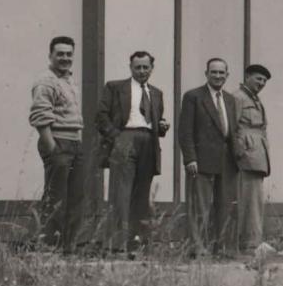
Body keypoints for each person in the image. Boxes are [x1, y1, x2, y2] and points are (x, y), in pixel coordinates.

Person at [95, 50, 169, 256]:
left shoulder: (156, 93)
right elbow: (101, 116)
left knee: (141, 196)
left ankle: (136, 245)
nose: (142, 71)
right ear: (131, 68)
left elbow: (155, 121)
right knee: (121, 194)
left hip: (149, 142)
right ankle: (116, 246)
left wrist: (162, 126)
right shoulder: (115, 87)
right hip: (124, 138)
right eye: (138, 67)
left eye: (146, 67)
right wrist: (116, 137)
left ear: (152, 69)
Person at [177, 57, 239, 254]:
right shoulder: (193, 96)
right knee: (199, 207)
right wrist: (190, 158)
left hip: (227, 161)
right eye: (214, 72)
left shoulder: (230, 100)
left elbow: (232, 131)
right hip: (201, 160)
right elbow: (185, 131)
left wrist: (238, 157)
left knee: (225, 207)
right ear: (206, 74)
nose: (218, 76)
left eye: (222, 73)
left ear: (227, 75)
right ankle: (197, 248)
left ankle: (221, 247)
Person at [28, 35, 83, 252]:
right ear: (50, 55)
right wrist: (53, 149)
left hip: (74, 143)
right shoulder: (45, 81)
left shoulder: (68, 80)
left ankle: (70, 247)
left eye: (69, 54)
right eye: (60, 54)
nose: (65, 58)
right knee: (56, 198)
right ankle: (50, 247)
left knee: (75, 197)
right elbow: (40, 116)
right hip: (58, 142)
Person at [233, 64, 272, 252]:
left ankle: (254, 241)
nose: (261, 83)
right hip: (247, 156)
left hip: (258, 156)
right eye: (258, 79)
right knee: (248, 200)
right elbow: (232, 128)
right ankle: (248, 244)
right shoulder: (238, 98)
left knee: (255, 200)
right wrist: (239, 152)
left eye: (264, 81)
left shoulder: (256, 100)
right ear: (247, 77)